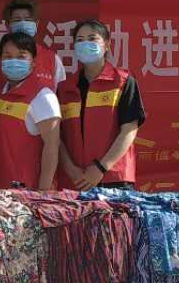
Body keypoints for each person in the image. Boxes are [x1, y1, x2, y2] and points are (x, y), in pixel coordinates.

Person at [56, 19, 146, 189]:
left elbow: (129, 130)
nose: (86, 44)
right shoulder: (64, 88)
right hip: (75, 181)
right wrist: (72, 170)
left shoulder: (123, 81)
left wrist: (101, 168)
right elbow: (57, 137)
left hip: (114, 179)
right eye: (80, 40)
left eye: (92, 38)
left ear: (107, 45)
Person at [0, 31, 61, 191]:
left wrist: (44, 191)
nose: (14, 61)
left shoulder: (43, 96)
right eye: (7, 56)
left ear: (33, 62)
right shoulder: (2, 93)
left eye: (21, 56)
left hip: (28, 191)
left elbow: (52, 146)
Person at [1, 0, 66, 88]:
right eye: (17, 20)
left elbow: (60, 92)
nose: (23, 24)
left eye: (28, 20)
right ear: (8, 25)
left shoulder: (52, 59)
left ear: (37, 24)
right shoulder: (1, 60)